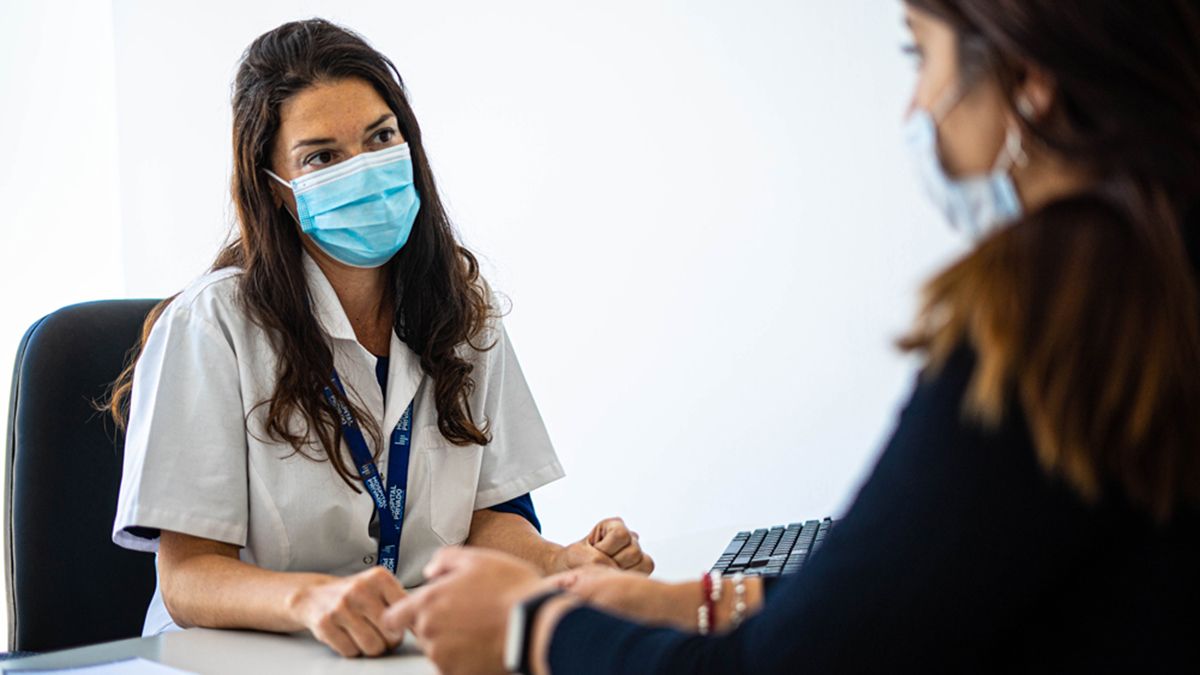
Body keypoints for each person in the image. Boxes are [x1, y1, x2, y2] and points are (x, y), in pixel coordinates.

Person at [380, 1, 1200, 672]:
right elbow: (927, 594)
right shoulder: (1160, 278)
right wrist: (705, 602)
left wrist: (532, 631)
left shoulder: (1056, 318)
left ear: (1031, 80)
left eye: (921, 56)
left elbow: (795, 662)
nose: (917, 108)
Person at [107, 19, 652, 658]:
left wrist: (563, 563)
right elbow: (187, 578)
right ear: (274, 188)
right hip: (244, 656)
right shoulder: (211, 326)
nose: (362, 171)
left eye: (380, 138)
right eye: (321, 157)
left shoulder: (463, 309)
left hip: (406, 649)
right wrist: (309, 600)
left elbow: (485, 518)